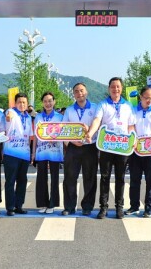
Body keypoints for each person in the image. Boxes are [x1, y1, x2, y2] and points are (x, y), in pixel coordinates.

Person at [86, 77, 136, 219]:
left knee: (120, 177)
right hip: (106, 146)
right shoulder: (103, 104)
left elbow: (131, 126)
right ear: (109, 89)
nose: (115, 89)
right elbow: (97, 120)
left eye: (118, 86)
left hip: (122, 146)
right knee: (105, 177)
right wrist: (90, 133)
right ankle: (103, 207)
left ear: (121, 88)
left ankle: (119, 207)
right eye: (113, 87)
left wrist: (134, 139)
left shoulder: (128, 105)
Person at [127, 86, 151, 218]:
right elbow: (131, 127)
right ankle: (134, 206)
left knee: (150, 180)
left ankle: (148, 208)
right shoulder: (133, 110)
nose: (149, 100)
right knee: (134, 179)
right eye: (147, 98)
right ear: (141, 97)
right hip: (136, 150)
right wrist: (134, 140)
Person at [62, 83, 98, 216]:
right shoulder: (69, 110)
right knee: (70, 177)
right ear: (74, 94)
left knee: (90, 178)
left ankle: (87, 206)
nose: (79, 93)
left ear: (86, 92)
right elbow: (64, 128)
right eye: (76, 91)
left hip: (90, 146)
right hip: (73, 147)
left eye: (82, 90)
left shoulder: (95, 108)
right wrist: (72, 141)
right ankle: (69, 206)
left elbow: (99, 125)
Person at [33, 92, 64, 214]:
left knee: (54, 177)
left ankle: (52, 204)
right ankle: (42, 203)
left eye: (50, 101)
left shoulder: (60, 117)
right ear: (42, 103)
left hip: (55, 151)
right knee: (41, 177)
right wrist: (33, 152)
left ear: (54, 102)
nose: (48, 103)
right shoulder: (38, 117)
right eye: (45, 101)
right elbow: (35, 136)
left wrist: (57, 138)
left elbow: (63, 133)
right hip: (41, 151)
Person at [3, 92, 32, 216]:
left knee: (22, 181)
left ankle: (19, 205)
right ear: (15, 103)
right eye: (19, 102)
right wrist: (8, 115)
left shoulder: (28, 117)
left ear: (27, 103)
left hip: (24, 153)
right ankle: (10, 207)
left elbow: (30, 136)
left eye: (24, 102)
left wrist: (31, 153)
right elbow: (8, 116)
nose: (22, 104)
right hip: (11, 153)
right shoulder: (11, 112)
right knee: (10, 181)